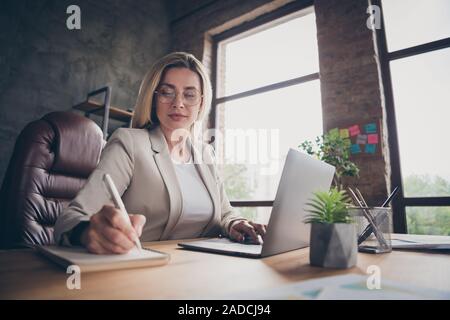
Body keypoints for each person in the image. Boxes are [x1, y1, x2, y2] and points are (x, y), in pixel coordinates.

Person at [54, 52, 267, 254]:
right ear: (154, 98)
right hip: (143, 272)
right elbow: (71, 218)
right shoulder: (130, 143)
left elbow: (225, 213)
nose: (178, 103)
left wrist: (236, 223)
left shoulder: (205, 153)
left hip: (202, 271)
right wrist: (86, 232)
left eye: (189, 94)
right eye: (167, 92)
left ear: (201, 102)